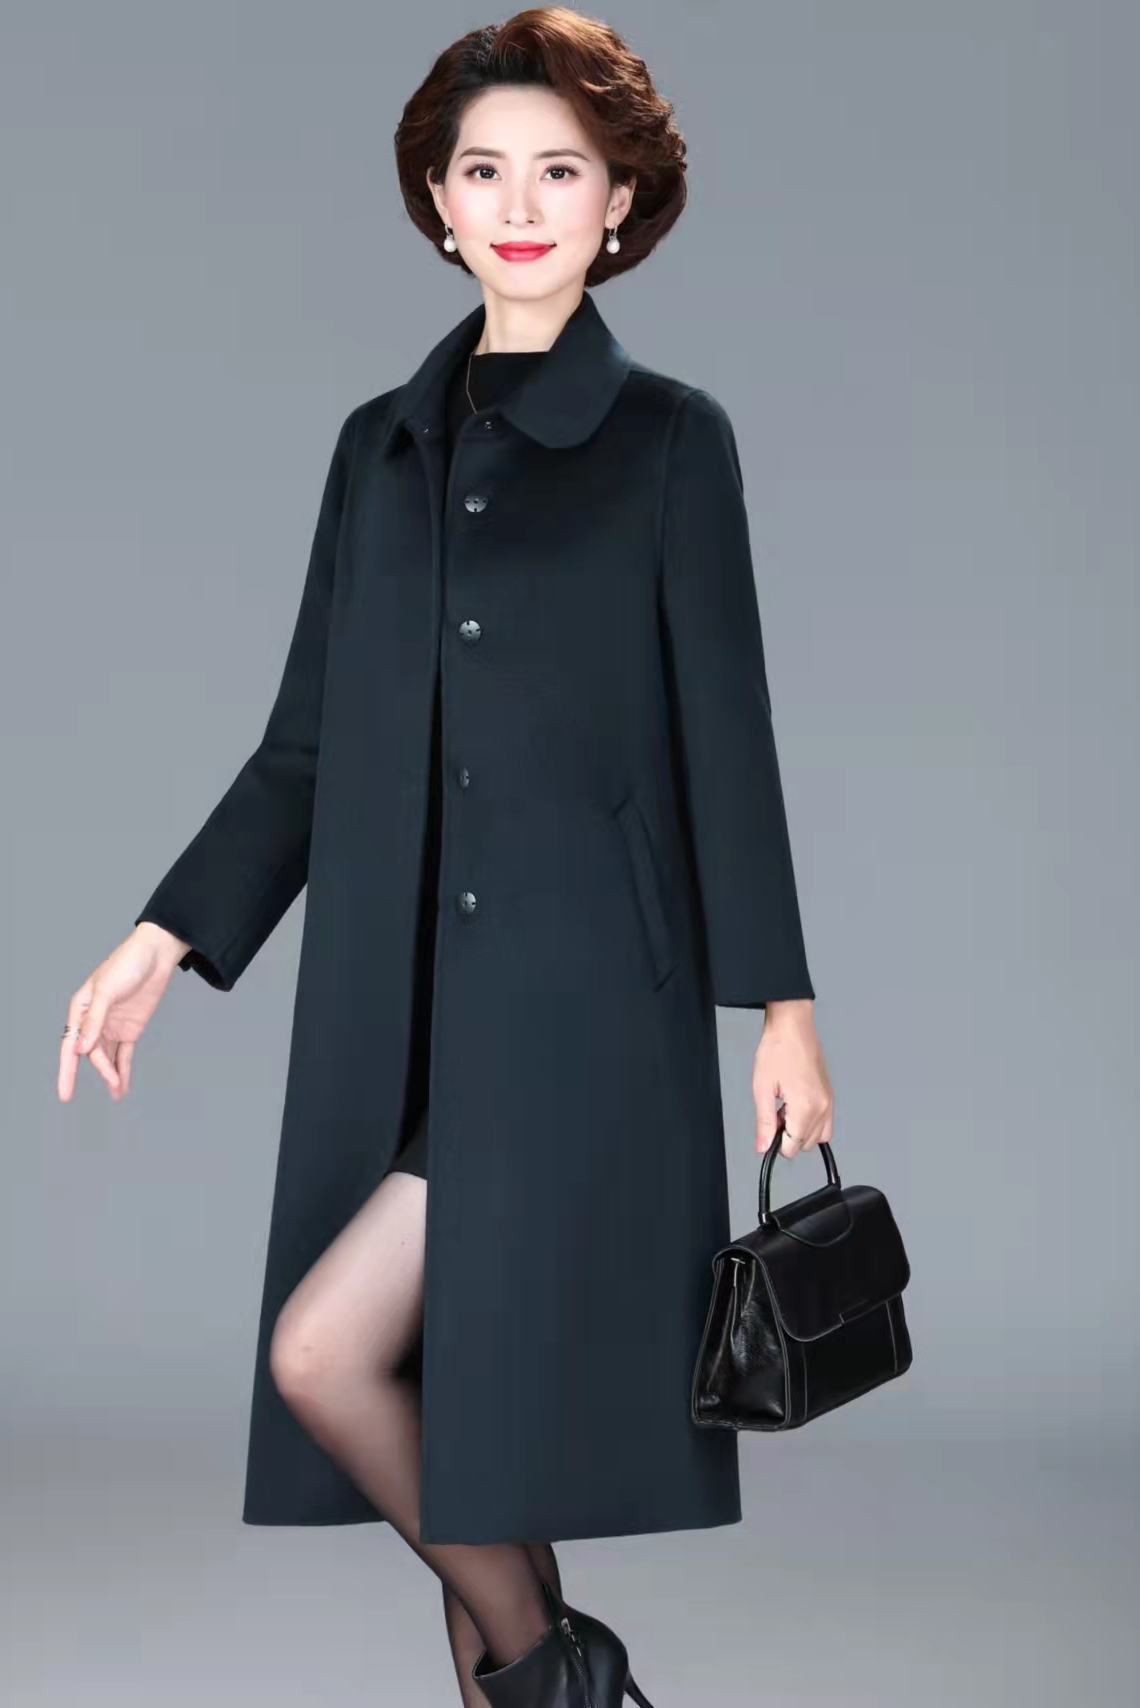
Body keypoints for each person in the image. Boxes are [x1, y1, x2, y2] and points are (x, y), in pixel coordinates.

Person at [57, 9, 834, 1705]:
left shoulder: (671, 442)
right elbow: (306, 747)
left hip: (580, 1017)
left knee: (330, 1355)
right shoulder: (378, 449)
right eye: (485, 171)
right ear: (437, 199)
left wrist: (781, 1009)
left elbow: (730, 739)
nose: (521, 204)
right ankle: (558, 1681)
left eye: (561, 171)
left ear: (620, 203)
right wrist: (160, 937)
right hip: (405, 1015)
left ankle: (565, 1669)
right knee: (461, 1434)